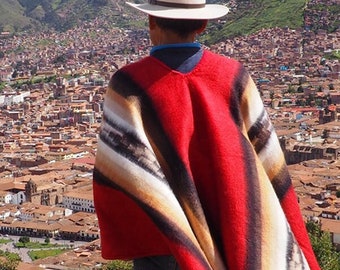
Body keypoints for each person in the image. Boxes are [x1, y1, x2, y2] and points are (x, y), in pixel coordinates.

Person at [93, 0, 320, 269]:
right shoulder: (234, 76)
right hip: (236, 226)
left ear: (152, 21)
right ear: (203, 24)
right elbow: (268, 159)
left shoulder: (128, 85)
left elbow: (122, 172)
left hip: (166, 246)